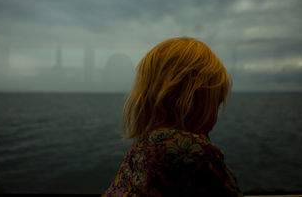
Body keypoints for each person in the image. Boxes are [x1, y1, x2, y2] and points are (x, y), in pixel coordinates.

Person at [102, 37, 243, 197]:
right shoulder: (194, 154)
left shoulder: (142, 148)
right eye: (216, 105)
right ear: (194, 98)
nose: (215, 118)